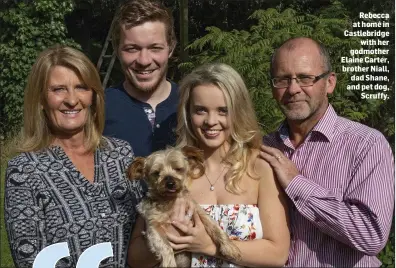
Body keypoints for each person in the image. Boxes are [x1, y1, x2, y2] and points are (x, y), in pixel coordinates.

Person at [128, 63, 290, 267]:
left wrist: (208, 246)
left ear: (238, 112)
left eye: (223, 111)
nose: (211, 121)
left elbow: (277, 254)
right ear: (188, 113)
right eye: (201, 110)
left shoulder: (260, 168)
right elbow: (135, 259)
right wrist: (166, 236)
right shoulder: (174, 169)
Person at [4, 45, 146, 268]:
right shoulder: (24, 171)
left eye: (81, 87)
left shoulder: (120, 154)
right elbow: (29, 260)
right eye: (59, 89)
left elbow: (146, 229)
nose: (72, 100)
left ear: (93, 96)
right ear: (41, 99)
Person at [260, 37, 394, 267]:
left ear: (330, 83)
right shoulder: (265, 148)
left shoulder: (365, 145)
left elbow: (371, 235)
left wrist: (296, 183)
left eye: (305, 78)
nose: (293, 89)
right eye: (282, 79)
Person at [103, 0, 178, 157]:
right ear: (116, 50)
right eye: (132, 49)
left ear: (170, 48)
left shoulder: (192, 105)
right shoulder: (99, 108)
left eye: (155, 48)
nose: (144, 61)